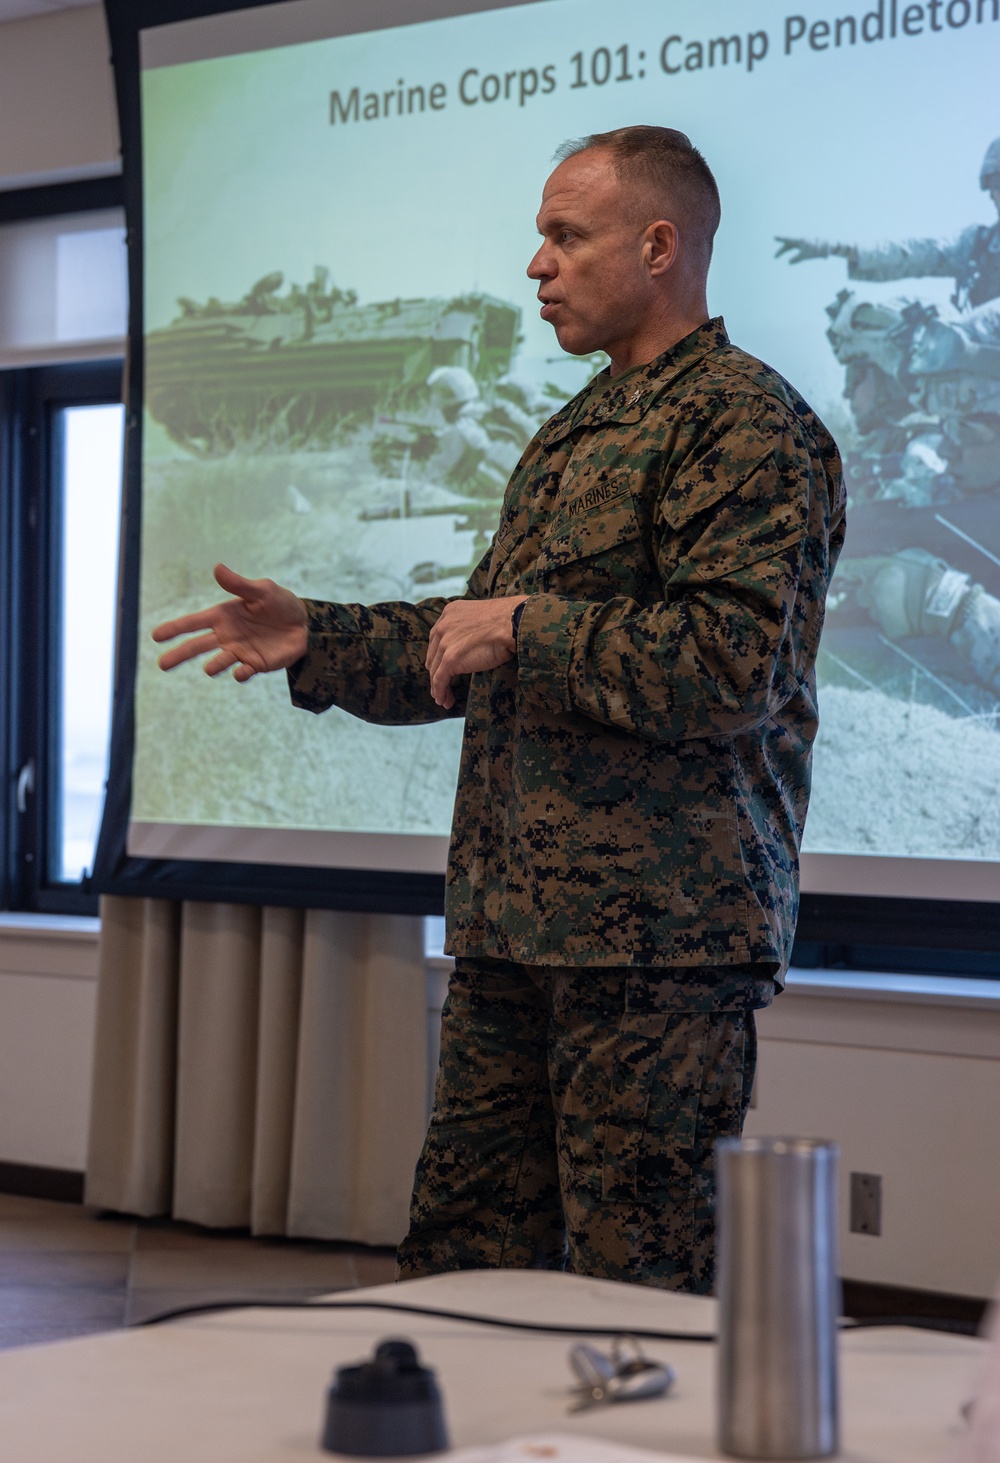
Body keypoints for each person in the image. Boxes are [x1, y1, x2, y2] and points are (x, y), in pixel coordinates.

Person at [153, 126, 846, 1291]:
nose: (536, 264)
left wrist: (527, 625)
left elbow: (731, 665)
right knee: (463, 1273)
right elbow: (472, 641)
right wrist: (320, 635)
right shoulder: (572, 433)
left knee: (642, 1291)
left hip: (657, 952)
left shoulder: (745, 425)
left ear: (659, 244)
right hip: (512, 935)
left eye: (564, 236)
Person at [775, 136, 1000, 311]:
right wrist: (833, 248)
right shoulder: (981, 245)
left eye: (996, 182)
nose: (992, 194)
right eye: (990, 184)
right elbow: (915, 254)